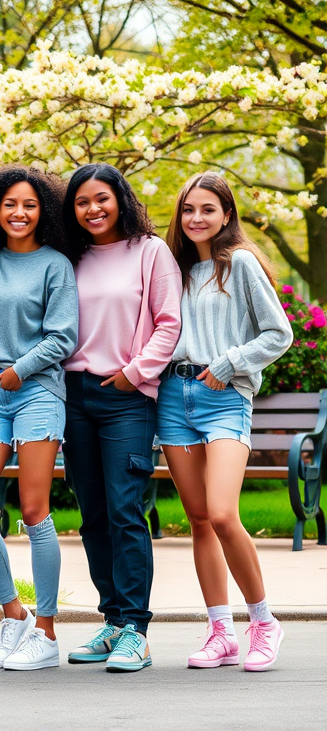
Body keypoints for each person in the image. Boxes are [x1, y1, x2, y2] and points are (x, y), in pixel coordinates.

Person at [160, 172, 291, 671]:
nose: (196, 218)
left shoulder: (238, 264)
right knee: (197, 521)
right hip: (174, 398)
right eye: (189, 209)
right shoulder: (173, 268)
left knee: (221, 513)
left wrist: (229, 362)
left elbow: (279, 334)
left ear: (227, 215)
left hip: (223, 398)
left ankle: (263, 622)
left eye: (208, 209)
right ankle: (221, 632)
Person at [59, 163, 182, 672]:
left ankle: (136, 628)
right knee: (91, 516)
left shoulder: (150, 252)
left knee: (125, 511)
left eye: (102, 198)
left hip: (126, 397)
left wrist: (136, 373)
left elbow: (169, 322)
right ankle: (112, 620)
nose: (93, 209)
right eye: (82, 201)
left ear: (121, 199)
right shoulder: (70, 254)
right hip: (73, 395)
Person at [0, 166, 77, 671]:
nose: (19, 213)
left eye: (29, 205)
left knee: (33, 509)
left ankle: (47, 633)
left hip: (37, 393)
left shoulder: (55, 266)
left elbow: (62, 337)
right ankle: (15, 613)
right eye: (9, 204)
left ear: (43, 211)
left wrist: (19, 370)